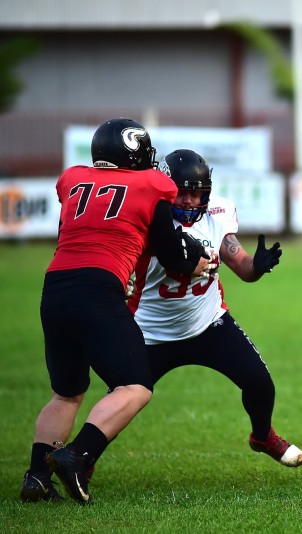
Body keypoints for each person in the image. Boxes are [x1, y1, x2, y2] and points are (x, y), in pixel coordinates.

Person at [20, 119, 210, 504]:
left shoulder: (73, 180)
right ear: (136, 152)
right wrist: (196, 262)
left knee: (66, 393)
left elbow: (70, 234)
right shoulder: (152, 185)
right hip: (97, 289)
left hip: (55, 287)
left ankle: (37, 476)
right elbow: (172, 255)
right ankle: (76, 456)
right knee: (135, 385)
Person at [126, 149, 302, 469]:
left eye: (197, 194)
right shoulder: (148, 217)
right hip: (151, 331)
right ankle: (83, 458)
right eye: (183, 192)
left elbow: (243, 267)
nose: (190, 201)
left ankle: (262, 436)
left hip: (207, 323)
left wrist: (258, 266)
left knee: (260, 383)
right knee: (120, 400)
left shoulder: (217, 213)